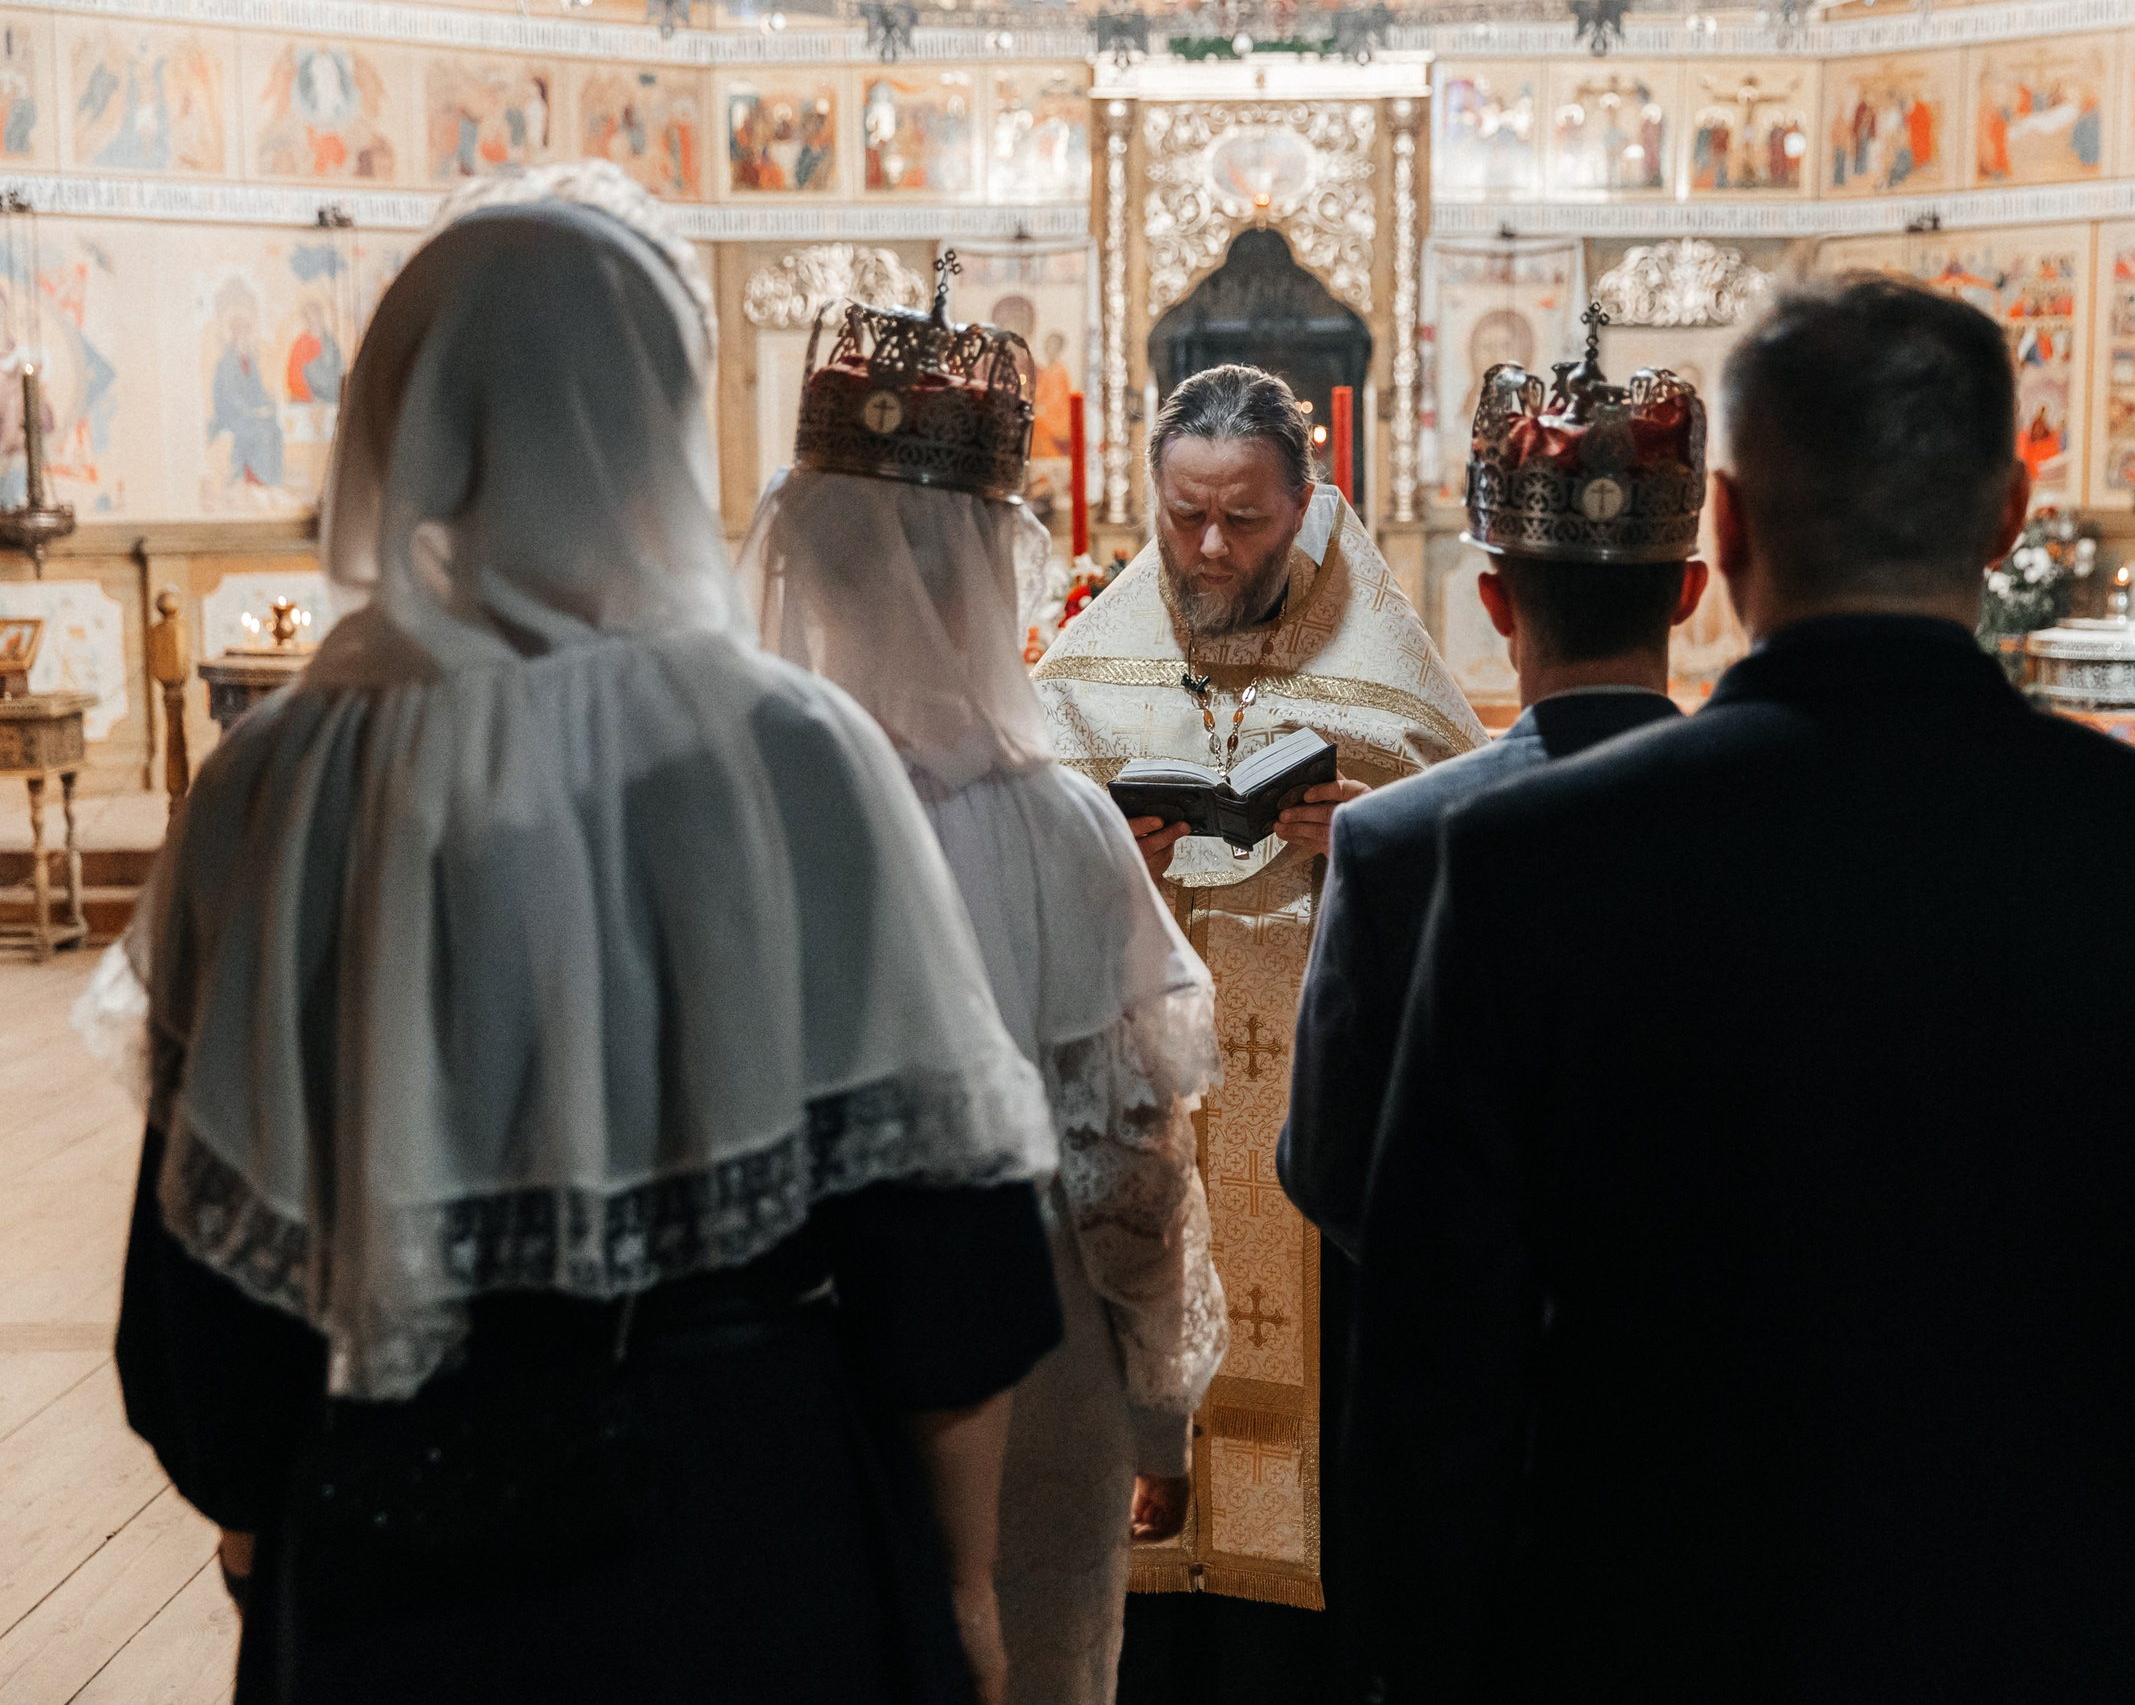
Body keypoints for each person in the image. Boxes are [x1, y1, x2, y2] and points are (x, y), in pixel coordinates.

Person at [94, 163, 1064, 1705]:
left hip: (398, 1554)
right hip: (755, 1547)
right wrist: (956, 1590)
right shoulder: (794, 753)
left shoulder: (278, 782)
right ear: (657, 432)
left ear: (398, 422)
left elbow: (204, 1314)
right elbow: (948, 1266)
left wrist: (283, 1535)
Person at [1347, 277, 2135, 1704]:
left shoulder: (1526, 864)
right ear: (2008, 518)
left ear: (1734, 526)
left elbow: (1435, 1385)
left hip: (1649, 1652)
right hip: (2071, 1649)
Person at [743, 259, 1228, 1705]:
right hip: (1031, 1354)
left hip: (771, 1366)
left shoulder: (720, 806)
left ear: (803, 556)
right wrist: (1161, 1411)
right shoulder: (1051, 822)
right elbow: (1127, 1161)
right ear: (985, 563)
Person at [1031, 363, 1483, 1701]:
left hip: (1311, 1158)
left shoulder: (1391, 680)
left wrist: (1372, 850)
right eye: (1183, 518)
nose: (1212, 547)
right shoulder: (1089, 670)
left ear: (1312, 502)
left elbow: (1481, 917)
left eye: (1246, 519)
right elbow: (1008, 904)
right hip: (1147, 1142)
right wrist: (1097, 850)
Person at [1279, 320, 1710, 1261]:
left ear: (1495, 603)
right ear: (1687, 593)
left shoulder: (1392, 840)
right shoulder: (1773, 822)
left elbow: (1325, 1165)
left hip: (1474, 1381)